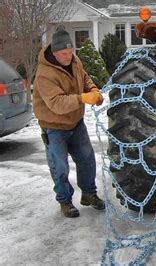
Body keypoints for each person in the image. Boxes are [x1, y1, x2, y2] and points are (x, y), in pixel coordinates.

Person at [33, 25, 105, 218]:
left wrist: (93, 90)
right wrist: (82, 99)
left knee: (87, 158)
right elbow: (56, 104)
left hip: (76, 122)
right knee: (60, 167)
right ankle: (65, 201)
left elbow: (84, 77)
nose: (69, 56)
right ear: (55, 53)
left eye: (71, 51)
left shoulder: (74, 61)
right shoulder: (44, 74)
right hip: (54, 127)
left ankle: (89, 194)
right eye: (64, 53)